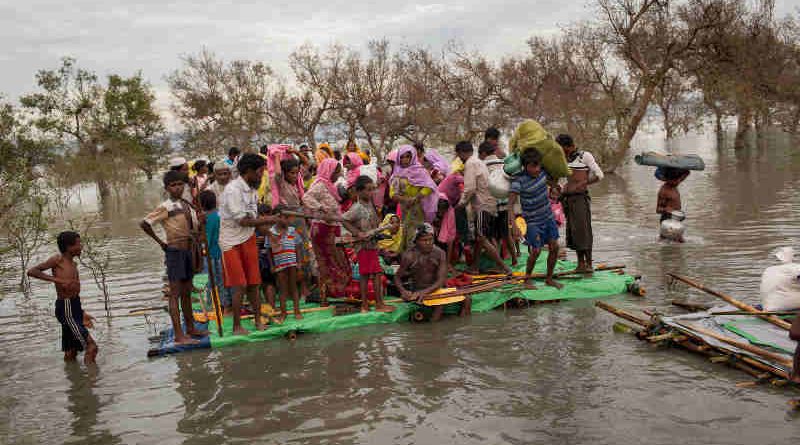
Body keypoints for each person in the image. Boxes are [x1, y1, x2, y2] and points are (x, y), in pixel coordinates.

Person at [141, 170, 208, 345]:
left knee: (187, 292)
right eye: (173, 185)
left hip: (189, 252)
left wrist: (201, 221)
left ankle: (191, 328)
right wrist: (161, 243)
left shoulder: (187, 204)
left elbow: (196, 229)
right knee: (175, 294)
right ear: (167, 188)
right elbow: (145, 223)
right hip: (175, 252)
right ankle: (179, 335)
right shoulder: (166, 206)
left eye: (180, 184)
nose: (177, 188)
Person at [219, 153, 277, 335]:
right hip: (230, 242)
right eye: (260, 172)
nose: (262, 175)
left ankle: (258, 321)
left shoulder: (252, 189)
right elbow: (243, 221)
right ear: (249, 171)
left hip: (248, 238)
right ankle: (237, 326)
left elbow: (254, 218)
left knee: (254, 283)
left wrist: (270, 233)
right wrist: (270, 219)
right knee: (240, 285)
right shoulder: (232, 190)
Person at [27, 231, 98, 364]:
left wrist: (81, 312)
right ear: (68, 247)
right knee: (92, 347)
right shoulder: (57, 260)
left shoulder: (73, 264)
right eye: (78, 244)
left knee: (71, 352)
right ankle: (91, 382)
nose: (81, 246)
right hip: (66, 308)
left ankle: (73, 381)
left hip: (73, 307)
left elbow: (73, 294)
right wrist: (58, 280)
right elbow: (32, 271)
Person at [508, 149, 563, 290]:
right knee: (536, 251)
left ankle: (549, 279)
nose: (536, 169)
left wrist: (556, 186)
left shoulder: (543, 173)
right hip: (532, 221)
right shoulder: (518, 180)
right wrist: (513, 225)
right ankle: (527, 279)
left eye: (538, 165)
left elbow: (554, 181)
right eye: (533, 166)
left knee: (555, 247)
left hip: (548, 217)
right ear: (525, 166)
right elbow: (510, 204)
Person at [455, 141, 511, 275]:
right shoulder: (478, 162)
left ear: (462, 153)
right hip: (490, 204)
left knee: (481, 238)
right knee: (484, 238)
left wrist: (460, 204)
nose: (458, 157)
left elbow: (469, 189)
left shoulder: (470, 163)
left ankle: (504, 268)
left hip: (482, 205)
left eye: (458, 154)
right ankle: (474, 266)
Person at [302, 158, 353, 305]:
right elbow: (306, 198)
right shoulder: (319, 184)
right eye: (336, 171)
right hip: (322, 228)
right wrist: (320, 208)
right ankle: (325, 296)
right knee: (325, 263)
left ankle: (334, 293)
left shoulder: (330, 186)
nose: (338, 174)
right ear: (328, 171)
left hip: (332, 227)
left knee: (337, 261)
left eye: (338, 172)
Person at [343, 176, 396, 313]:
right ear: (359, 192)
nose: (371, 192)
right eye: (368, 190)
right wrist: (356, 232)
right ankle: (376, 305)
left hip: (371, 245)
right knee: (375, 274)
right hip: (365, 246)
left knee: (367, 275)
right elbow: (344, 220)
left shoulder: (370, 205)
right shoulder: (357, 207)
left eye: (373, 189)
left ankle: (366, 305)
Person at [395, 224, 468, 321]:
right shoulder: (409, 256)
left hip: (436, 288)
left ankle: (461, 325)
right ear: (416, 241)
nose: (428, 243)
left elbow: (441, 280)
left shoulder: (439, 253)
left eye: (430, 239)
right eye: (424, 240)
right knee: (438, 308)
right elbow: (397, 277)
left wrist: (425, 292)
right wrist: (403, 291)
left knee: (467, 300)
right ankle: (433, 329)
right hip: (418, 289)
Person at [555, 134, 604, 272]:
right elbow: (563, 180)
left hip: (580, 199)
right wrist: (559, 191)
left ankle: (588, 264)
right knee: (574, 232)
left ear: (568, 146)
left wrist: (584, 182)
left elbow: (599, 175)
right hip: (567, 199)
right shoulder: (564, 159)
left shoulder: (584, 156)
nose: (560, 151)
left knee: (584, 231)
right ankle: (580, 264)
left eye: (561, 148)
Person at [390, 145, 439, 251]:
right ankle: (406, 258)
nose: (404, 160)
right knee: (405, 230)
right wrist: (404, 200)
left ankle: (416, 259)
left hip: (417, 207)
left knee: (416, 233)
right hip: (404, 207)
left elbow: (429, 187)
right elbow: (392, 193)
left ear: (412, 157)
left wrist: (416, 198)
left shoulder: (420, 171)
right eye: (402, 157)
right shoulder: (396, 173)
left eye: (407, 156)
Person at [480, 141, 518, 267]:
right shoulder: (503, 163)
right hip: (505, 203)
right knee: (506, 234)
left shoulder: (483, 165)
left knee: (492, 236)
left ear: (483, 153)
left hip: (492, 204)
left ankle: (499, 265)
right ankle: (514, 259)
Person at [265, 206, 304, 321]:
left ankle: (297, 311)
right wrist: (272, 265)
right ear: (277, 217)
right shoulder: (271, 232)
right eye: (285, 218)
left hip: (292, 263)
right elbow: (268, 250)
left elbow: (297, 247)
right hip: (279, 265)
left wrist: (299, 263)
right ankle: (283, 313)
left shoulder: (292, 230)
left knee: (293, 288)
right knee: (282, 289)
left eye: (289, 218)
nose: (288, 221)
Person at [198, 190, 234, 311]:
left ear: (202, 204)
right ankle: (227, 304)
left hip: (211, 255)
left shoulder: (207, 219)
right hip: (224, 252)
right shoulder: (221, 215)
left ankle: (213, 306)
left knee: (211, 282)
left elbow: (206, 239)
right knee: (224, 281)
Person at [656, 167, 690, 243]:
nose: (679, 181)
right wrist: (667, 210)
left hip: (676, 219)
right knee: (666, 242)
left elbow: (687, 173)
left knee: (678, 242)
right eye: (676, 180)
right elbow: (658, 209)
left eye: (679, 179)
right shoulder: (663, 191)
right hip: (667, 220)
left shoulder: (674, 184)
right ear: (668, 179)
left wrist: (681, 165)